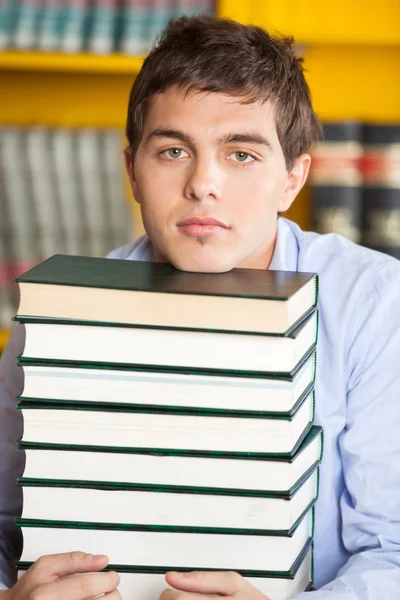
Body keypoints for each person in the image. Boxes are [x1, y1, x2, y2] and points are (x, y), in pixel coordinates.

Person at [1, 15, 400, 600]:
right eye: (172, 151)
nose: (202, 184)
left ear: (293, 178)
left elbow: (392, 550)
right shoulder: (55, 313)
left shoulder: (375, 303)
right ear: (131, 171)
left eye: (240, 154)